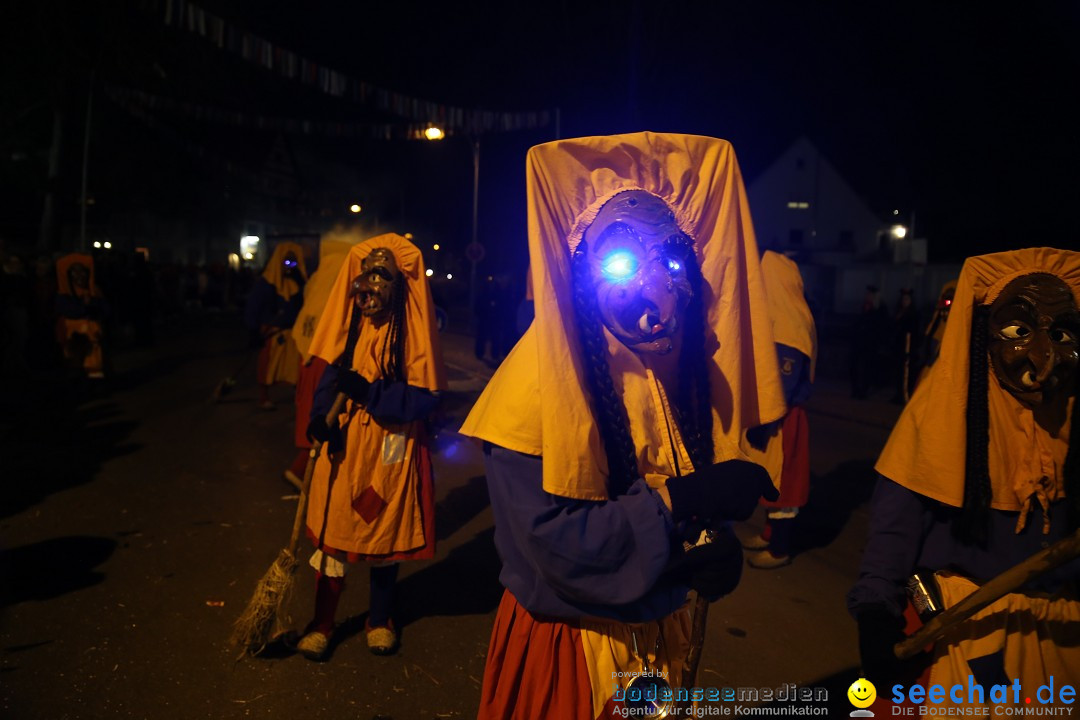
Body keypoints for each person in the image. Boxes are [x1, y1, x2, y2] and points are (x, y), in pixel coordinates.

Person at [459, 132, 785, 719]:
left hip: (656, 644)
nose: (657, 294)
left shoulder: (661, 368)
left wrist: (703, 547)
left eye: (673, 260)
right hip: (574, 654)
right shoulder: (536, 385)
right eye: (628, 263)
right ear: (585, 270)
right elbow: (556, 547)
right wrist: (684, 500)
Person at [847, 248, 1079, 700]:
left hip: (1060, 643)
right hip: (964, 637)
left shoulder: (1070, 420)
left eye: (1063, 333)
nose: (1044, 357)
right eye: (1019, 331)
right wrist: (877, 613)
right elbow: (892, 536)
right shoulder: (939, 419)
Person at [293, 233, 446, 659]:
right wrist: (318, 424)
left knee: (382, 533)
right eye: (366, 275)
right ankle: (322, 623)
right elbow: (330, 382)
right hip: (344, 445)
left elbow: (425, 397)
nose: (369, 288)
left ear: (397, 288)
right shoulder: (348, 331)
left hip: (388, 448)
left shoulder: (411, 338)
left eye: (381, 276)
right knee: (333, 532)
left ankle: (380, 619)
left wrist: (372, 393)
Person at [743, 250, 817, 569]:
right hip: (775, 414)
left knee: (783, 482)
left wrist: (764, 422)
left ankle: (780, 548)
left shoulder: (788, 324)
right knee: (771, 477)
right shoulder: (785, 316)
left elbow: (783, 384)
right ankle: (770, 533)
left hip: (781, 418)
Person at [284, 232, 357, 491]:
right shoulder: (341, 273)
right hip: (326, 359)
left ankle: (309, 472)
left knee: (310, 412)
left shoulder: (320, 276)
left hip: (310, 356)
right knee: (323, 416)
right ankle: (303, 471)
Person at [244, 242, 308, 410]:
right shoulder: (266, 283)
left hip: (292, 331)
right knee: (267, 365)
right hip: (271, 332)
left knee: (294, 367)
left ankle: (297, 396)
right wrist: (253, 330)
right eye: (286, 261)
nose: (289, 265)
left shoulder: (300, 282)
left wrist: (300, 281)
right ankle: (264, 397)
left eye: (292, 261)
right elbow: (253, 306)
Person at [54, 253, 109, 379]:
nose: (79, 275)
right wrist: (85, 306)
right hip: (72, 338)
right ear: (69, 274)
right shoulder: (63, 293)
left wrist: (94, 304)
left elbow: (106, 310)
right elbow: (68, 310)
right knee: (74, 365)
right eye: (75, 271)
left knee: (95, 365)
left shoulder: (94, 291)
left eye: (82, 271)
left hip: (93, 337)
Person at [913, 279, 957, 389]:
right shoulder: (951, 286)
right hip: (940, 338)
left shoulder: (960, 285)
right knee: (931, 368)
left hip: (949, 339)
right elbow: (939, 313)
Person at [850, 284, 888, 399]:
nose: (868, 296)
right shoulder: (864, 307)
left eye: (870, 295)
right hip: (860, 342)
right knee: (856, 366)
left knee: (867, 368)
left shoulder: (879, 310)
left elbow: (880, 327)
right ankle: (856, 389)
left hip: (870, 343)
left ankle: (863, 390)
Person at [891, 287, 921, 404]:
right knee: (898, 373)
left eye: (907, 299)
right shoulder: (898, 313)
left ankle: (905, 396)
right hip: (898, 348)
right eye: (903, 299)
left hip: (908, 349)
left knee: (906, 374)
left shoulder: (913, 315)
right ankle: (898, 394)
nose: (905, 302)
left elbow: (913, 332)